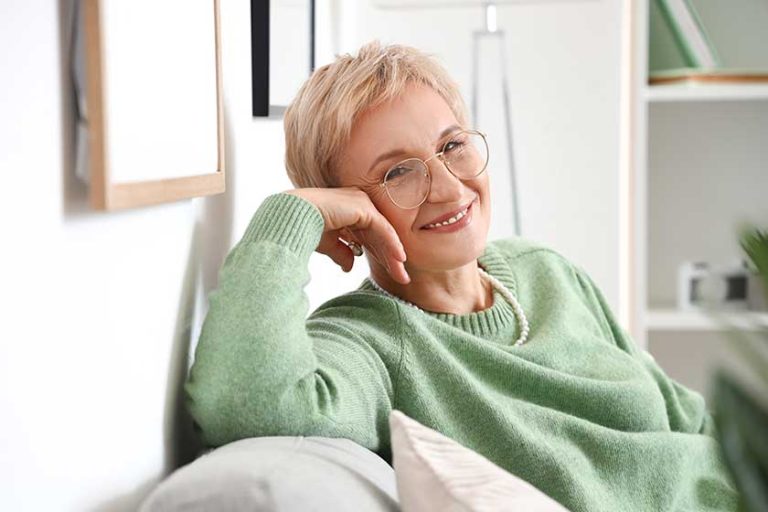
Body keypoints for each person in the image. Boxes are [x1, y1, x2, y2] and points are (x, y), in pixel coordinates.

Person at [184, 41, 739, 511]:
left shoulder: (544, 270)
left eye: (452, 146)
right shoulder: (370, 342)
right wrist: (294, 216)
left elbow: (686, 420)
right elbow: (246, 403)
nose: (450, 189)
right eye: (398, 172)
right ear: (350, 215)